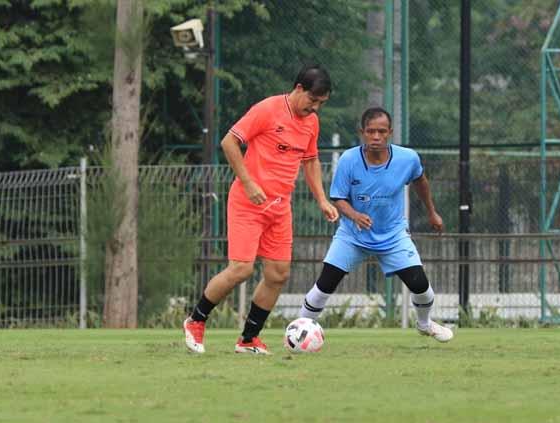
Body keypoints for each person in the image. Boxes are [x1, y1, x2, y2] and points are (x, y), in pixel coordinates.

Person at [183, 65, 339, 354]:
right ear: (299, 89)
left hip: (280, 208)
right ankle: (196, 320)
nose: (315, 107)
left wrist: (321, 199)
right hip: (248, 202)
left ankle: (248, 339)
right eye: (313, 100)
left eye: (321, 104)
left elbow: (311, 161)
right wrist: (248, 181)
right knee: (241, 269)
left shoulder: (311, 122)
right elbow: (229, 141)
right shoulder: (267, 109)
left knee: (278, 274)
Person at [299, 107, 453, 342]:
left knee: (420, 285)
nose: (376, 137)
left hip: (392, 235)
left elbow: (420, 181)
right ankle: (299, 331)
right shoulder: (349, 159)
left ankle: (424, 324)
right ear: (362, 132)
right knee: (325, 285)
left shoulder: (407, 158)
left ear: (390, 132)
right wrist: (355, 216)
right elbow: (338, 198)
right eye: (371, 132)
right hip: (353, 235)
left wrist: (432, 212)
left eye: (381, 131)